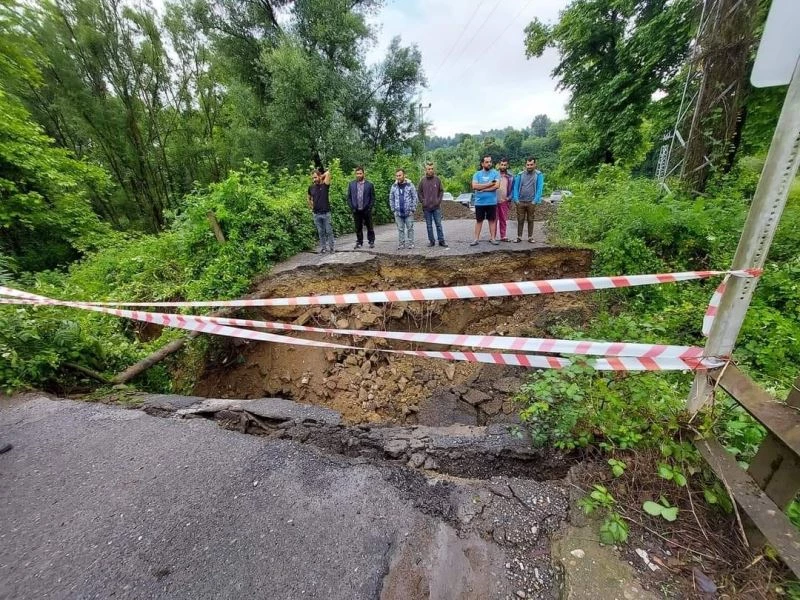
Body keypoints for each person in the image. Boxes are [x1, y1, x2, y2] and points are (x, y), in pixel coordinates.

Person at [511, 156, 545, 243]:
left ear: (535, 164)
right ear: (525, 165)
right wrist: (516, 200)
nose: (529, 166)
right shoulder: (520, 174)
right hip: (520, 201)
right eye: (528, 164)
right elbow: (515, 187)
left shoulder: (538, 175)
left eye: (531, 164)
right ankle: (519, 237)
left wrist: (535, 201)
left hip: (531, 202)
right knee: (520, 219)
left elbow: (539, 188)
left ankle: (530, 237)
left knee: (531, 219)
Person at [470, 154, 500, 246]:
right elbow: (474, 186)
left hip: (492, 202)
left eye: (490, 162)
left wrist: (482, 189)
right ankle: (476, 239)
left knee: (492, 220)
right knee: (479, 220)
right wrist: (489, 184)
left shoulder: (495, 173)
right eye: (487, 162)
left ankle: (493, 238)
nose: (489, 163)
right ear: (482, 163)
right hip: (479, 202)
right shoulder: (477, 174)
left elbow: (497, 186)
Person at [417, 162, 448, 248]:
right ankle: (431, 241)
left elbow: (441, 191)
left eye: (432, 169)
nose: (430, 170)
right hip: (426, 208)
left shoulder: (437, 180)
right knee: (429, 226)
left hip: (436, 207)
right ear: (425, 170)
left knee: (438, 224)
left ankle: (441, 241)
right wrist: (423, 202)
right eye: (428, 169)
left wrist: (438, 201)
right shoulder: (422, 181)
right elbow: (419, 192)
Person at [347, 166, 376, 249]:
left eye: (360, 173)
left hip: (366, 209)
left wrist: (369, 207)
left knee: (369, 226)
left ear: (363, 174)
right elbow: (349, 197)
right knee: (358, 227)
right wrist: (352, 207)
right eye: (357, 174)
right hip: (356, 210)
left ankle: (371, 241)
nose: (358, 175)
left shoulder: (369, 185)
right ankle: (359, 242)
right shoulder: (351, 184)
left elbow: (372, 197)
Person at [389, 168, 418, 250]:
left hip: (409, 212)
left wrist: (412, 209)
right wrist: (393, 210)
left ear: (404, 175)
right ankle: (401, 244)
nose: (398, 177)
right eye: (397, 176)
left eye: (400, 175)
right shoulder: (394, 186)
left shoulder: (410, 185)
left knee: (410, 228)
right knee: (400, 229)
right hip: (398, 213)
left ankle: (411, 243)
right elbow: (391, 198)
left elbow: (414, 197)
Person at [308, 167, 334, 254]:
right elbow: (309, 198)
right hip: (316, 214)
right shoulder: (311, 187)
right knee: (320, 232)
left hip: (326, 213)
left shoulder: (325, 185)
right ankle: (323, 248)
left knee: (329, 231)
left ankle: (331, 248)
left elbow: (328, 173)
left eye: (315, 177)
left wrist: (321, 176)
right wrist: (312, 206)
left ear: (319, 176)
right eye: (313, 178)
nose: (314, 179)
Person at [496, 157, 514, 242]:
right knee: (494, 219)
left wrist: (508, 198)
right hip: (494, 201)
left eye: (505, 165)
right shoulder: (494, 175)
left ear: (507, 166)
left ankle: (503, 236)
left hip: (505, 201)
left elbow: (513, 189)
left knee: (503, 219)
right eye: (501, 165)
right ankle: (493, 236)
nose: (503, 166)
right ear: (499, 165)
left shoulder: (510, 177)